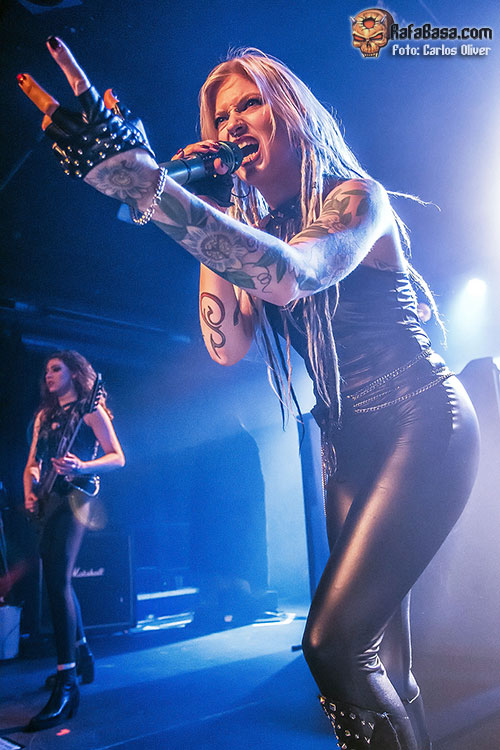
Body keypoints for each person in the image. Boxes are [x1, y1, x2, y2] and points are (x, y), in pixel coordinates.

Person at [18, 39, 479, 749]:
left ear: (290, 112)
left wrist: (154, 190)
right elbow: (225, 344)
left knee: (331, 644)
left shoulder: (357, 198)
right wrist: (196, 200)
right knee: (384, 661)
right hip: (344, 442)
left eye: (249, 104)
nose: (233, 123)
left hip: (420, 418)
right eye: (221, 116)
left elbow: (292, 275)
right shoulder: (252, 231)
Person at [23, 350, 125, 731]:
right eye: (46, 370)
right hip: (48, 499)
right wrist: (30, 487)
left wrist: (82, 465)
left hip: (78, 497)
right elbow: (33, 462)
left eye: (56, 369)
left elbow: (118, 457)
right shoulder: (44, 416)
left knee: (57, 579)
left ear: (74, 373)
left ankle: (67, 682)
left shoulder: (90, 409)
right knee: (56, 577)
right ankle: (81, 656)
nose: (49, 375)